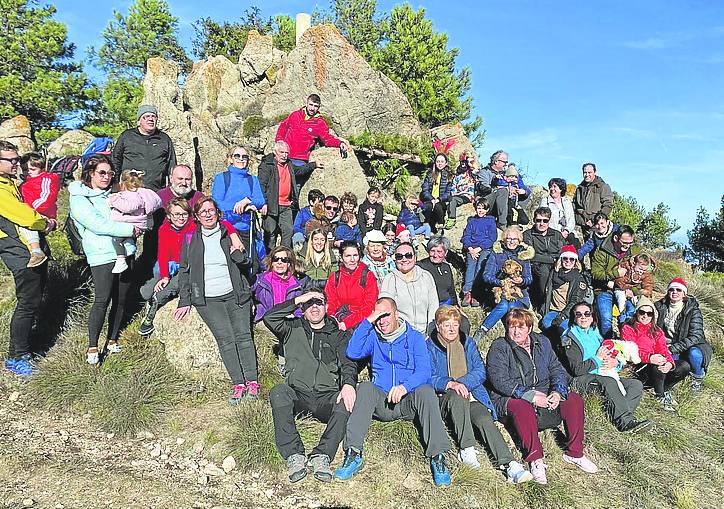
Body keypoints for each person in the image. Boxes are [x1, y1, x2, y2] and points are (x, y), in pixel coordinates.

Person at [335, 297, 453, 487]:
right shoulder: (374, 336)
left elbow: (424, 371)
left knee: (426, 391)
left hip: (408, 402)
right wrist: (368, 321)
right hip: (382, 400)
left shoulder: (414, 338)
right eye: (378, 317)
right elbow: (353, 352)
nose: (382, 321)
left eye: (386, 315)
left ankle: (438, 457)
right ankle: (353, 453)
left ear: (396, 313)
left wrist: (404, 387)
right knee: (365, 388)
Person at [486, 309, 598, 485]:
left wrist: (557, 391)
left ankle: (575, 453)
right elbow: (499, 381)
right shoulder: (500, 347)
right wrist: (529, 395)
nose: (516, 331)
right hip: (510, 397)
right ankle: (535, 459)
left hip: (544, 393)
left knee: (573, 399)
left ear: (529, 328)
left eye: (521, 327)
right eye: (512, 326)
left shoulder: (542, 342)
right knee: (521, 406)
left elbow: (556, 369)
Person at [428, 306, 533, 483]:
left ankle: (509, 464)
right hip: (444, 398)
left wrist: (463, 383)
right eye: (447, 325)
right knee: (456, 396)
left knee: (483, 418)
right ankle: (466, 448)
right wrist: (450, 383)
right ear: (438, 327)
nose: (452, 329)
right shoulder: (429, 347)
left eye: (455, 324)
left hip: (471, 395)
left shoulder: (468, 343)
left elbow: (480, 370)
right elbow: (426, 375)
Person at [265, 290, 358, 483]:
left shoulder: (339, 335)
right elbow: (269, 317)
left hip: (326, 396)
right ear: (302, 308)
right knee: (278, 392)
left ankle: (322, 455)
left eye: (319, 302)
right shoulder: (291, 328)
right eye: (309, 303)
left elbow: (348, 363)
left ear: (326, 307)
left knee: (346, 401)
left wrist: (348, 384)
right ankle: (294, 455)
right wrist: (299, 299)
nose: (314, 306)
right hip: (298, 395)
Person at [174, 197, 258, 404]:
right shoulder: (190, 238)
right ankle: (238, 383)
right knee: (226, 341)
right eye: (203, 212)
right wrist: (185, 300)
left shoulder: (229, 234)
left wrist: (238, 254)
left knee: (244, 337)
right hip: (208, 299)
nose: (208, 214)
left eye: (211, 210)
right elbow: (184, 270)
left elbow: (248, 263)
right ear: (197, 216)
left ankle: (253, 382)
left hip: (235, 294)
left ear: (218, 213)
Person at [69, 156, 137, 365]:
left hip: (126, 251)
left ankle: (112, 339)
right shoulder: (79, 197)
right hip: (101, 255)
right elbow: (97, 224)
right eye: (102, 172)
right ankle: (92, 346)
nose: (107, 177)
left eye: (109, 173)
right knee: (102, 299)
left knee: (122, 298)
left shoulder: (116, 193)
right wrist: (130, 229)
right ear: (90, 173)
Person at [0, 140, 56, 375]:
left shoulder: (10, 183)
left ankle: (26, 347)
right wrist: (47, 224)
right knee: (27, 303)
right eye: (10, 160)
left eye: (16, 159)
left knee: (33, 300)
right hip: (16, 249)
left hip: (24, 247)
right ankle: (16, 357)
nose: (16, 163)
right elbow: (24, 216)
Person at [562, 302, 651, 433]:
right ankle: (625, 422)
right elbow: (577, 370)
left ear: (592, 317)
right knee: (609, 382)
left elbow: (611, 353)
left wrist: (616, 363)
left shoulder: (594, 332)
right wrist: (597, 358)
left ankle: (615, 413)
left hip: (602, 373)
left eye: (587, 314)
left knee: (635, 384)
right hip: (579, 379)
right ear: (574, 317)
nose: (583, 317)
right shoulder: (568, 337)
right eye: (578, 314)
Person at [622, 297, 688, 411]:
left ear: (653, 315)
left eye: (649, 313)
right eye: (642, 312)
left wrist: (669, 363)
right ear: (636, 313)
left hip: (655, 364)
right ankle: (660, 396)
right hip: (638, 366)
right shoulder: (628, 328)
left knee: (683, 366)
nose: (645, 316)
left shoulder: (657, 331)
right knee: (657, 365)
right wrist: (649, 357)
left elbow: (663, 349)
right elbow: (629, 350)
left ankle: (664, 389)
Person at [275, 93, 346, 190]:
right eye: (311, 105)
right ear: (306, 103)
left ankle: (293, 205)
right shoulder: (295, 115)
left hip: (300, 159)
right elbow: (283, 127)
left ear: (319, 107)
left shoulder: (320, 123)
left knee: (295, 186)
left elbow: (327, 139)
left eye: (316, 106)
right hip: (285, 155)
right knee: (278, 184)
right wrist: (279, 142)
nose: (312, 108)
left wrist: (340, 143)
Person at [654, 278, 713, 393]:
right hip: (669, 344)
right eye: (671, 289)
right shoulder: (660, 307)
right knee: (672, 366)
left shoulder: (693, 310)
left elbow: (696, 336)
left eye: (678, 290)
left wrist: (673, 348)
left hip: (691, 344)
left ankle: (697, 377)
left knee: (694, 354)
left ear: (684, 293)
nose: (675, 292)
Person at [476, 226, 534, 335]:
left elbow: (529, 278)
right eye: (509, 239)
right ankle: (483, 329)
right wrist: (501, 282)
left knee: (511, 306)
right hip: (499, 292)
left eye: (514, 239)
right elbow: (487, 276)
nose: (511, 242)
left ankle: (511, 333)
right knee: (504, 305)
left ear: (519, 241)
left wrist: (521, 281)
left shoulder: (524, 256)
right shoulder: (496, 254)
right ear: (504, 239)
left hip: (519, 293)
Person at [258, 141, 315, 252]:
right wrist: (263, 203)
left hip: (286, 205)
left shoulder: (288, 164)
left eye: (286, 153)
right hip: (271, 205)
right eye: (281, 152)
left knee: (288, 231)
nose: (284, 155)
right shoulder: (267, 165)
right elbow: (261, 185)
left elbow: (299, 170)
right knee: (270, 233)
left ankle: (284, 257)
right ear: (275, 152)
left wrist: (313, 165)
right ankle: (270, 259)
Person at [212, 146, 267, 255]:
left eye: (244, 157)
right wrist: (242, 206)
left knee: (250, 265)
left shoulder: (252, 179)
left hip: (247, 230)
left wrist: (247, 201)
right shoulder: (221, 178)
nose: (241, 159)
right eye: (237, 156)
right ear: (231, 159)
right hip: (227, 228)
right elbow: (217, 202)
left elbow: (260, 200)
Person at [107, 169, 162, 274]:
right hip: (139, 224)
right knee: (126, 240)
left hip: (130, 223)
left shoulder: (132, 195)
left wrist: (113, 201)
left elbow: (128, 207)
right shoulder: (145, 193)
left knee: (116, 239)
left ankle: (121, 259)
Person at [591, 225, 640, 338]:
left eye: (630, 243)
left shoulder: (631, 254)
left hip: (623, 289)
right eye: (624, 242)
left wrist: (632, 289)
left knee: (630, 314)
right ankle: (607, 342)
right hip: (604, 289)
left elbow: (639, 275)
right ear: (616, 238)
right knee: (606, 319)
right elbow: (595, 273)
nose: (627, 246)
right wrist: (616, 274)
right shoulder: (601, 251)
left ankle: (627, 340)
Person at [379, 242, 439, 333]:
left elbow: (433, 306)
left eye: (408, 255)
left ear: (415, 258)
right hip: (402, 333)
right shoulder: (390, 279)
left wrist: (431, 331)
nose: (404, 259)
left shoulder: (426, 276)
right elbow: (386, 310)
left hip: (425, 332)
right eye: (399, 256)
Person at [324, 241, 379, 331]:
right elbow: (331, 303)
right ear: (341, 258)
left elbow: (369, 307)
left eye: (355, 255)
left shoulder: (368, 276)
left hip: (361, 321)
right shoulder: (335, 277)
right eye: (348, 256)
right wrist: (333, 321)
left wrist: (347, 323)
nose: (352, 260)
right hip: (339, 320)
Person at [540, 245, 591, 338]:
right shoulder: (553, 273)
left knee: (564, 329)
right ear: (561, 259)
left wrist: (562, 316)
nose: (568, 261)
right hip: (553, 310)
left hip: (569, 313)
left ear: (575, 261)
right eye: (565, 258)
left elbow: (575, 301)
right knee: (546, 324)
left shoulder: (578, 278)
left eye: (572, 259)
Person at [18, 152, 59, 267]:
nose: (28, 172)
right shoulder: (25, 184)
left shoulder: (46, 179)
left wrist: (31, 211)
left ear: (41, 168)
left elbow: (47, 197)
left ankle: (36, 251)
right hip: (32, 213)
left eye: (32, 169)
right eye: (25, 169)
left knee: (28, 225)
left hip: (41, 213)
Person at [523, 207, 565, 313]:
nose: (542, 223)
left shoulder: (556, 235)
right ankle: (542, 306)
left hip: (557, 264)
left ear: (549, 221)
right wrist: (552, 259)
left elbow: (563, 251)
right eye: (538, 220)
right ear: (534, 220)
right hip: (537, 266)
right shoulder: (528, 234)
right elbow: (531, 255)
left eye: (545, 221)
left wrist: (557, 260)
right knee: (544, 274)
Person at [252, 246, 308, 323]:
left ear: (289, 264)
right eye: (276, 259)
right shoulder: (260, 280)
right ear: (271, 262)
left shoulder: (296, 285)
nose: (279, 262)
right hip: (264, 321)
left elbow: (298, 307)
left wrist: (297, 316)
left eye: (284, 260)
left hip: (287, 322)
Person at [461, 199, 497, 307]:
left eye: (483, 208)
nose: (480, 210)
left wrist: (479, 248)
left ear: (487, 210)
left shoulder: (490, 221)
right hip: (472, 249)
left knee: (480, 268)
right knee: (470, 267)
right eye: (479, 208)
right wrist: (470, 248)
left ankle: (476, 293)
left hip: (484, 248)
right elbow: (466, 236)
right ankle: (467, 292)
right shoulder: (472, 221)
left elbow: (492, 238)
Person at [573, 162, 613, 239]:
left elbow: (608, 205)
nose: (587, 174)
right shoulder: (579, 188)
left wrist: (595, 221)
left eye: (589, 172)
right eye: (585, 172)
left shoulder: (603, 187)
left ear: (595, 172)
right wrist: (581, 221)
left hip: (597, 227)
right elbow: (575, 206)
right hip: (581, 226)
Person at [486, 161, 531, 229]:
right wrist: (496, 178)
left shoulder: (517, 182)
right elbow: (495, 181)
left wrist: (524, 191)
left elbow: (526, 189)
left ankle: (514, 223)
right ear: (506, 176)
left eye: (515, 177)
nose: (512, 178)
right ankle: (510, 224)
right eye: (511, 176)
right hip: (505, 202)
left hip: (514, 202)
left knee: (524, 219)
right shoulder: (502, 180)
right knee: (510, 212)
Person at [613, 252, 655, 321]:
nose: (641, 272)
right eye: (640, 269)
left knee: (637, 301)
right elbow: (618, 280)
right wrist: (626, 287)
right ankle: (622, 314)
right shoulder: (625, 267)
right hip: (621, 289)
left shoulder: (646, 274)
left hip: (633, 292)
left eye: (644, 270)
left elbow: (648, 287)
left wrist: (634, 291)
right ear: (634, 263)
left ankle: (636, 316)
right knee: (621, 300)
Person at [418, 237, 457, 306]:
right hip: (430, 306)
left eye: (439, 252)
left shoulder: (446, 267)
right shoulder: (421, 266)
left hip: (447, 304)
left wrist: (456, 305)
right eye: (432, 251)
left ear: (445, 253)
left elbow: (451, 290)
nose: (435, 255)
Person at [420, 153, 453, 232]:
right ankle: (426, 226)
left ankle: (440, 226)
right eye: (438, 161)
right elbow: (425, 189)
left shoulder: (449, 175)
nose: (440, 163)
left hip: (441, 200)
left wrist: (439, 199)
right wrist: (431, 198)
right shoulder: (430, 174)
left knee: (438, 206)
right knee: (428, 206)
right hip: (430, 199)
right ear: (435, 163)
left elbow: (448, 192)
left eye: (442, 161)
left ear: (446, 163)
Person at [540, 177, 577, 245]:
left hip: (568, 232)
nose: (552, 189)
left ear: (561, 189)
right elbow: (544, 218)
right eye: (550, 187)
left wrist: (566, 231)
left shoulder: (567, 201)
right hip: (552, 233)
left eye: (554, 186)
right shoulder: (545, 201)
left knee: (576, 246)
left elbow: (571, 219)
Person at [446, 152, 477, 229]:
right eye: (462, 162)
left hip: (468, 196)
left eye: (465, 162)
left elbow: (475, 168)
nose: (464, 164)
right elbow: (453, 188)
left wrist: (469, 160)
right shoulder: (457, 177)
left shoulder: (471, 173)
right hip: (458, 196)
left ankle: (452, 218)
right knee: (452, 199)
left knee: (453, 199)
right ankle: (451, 218)